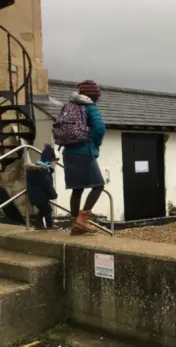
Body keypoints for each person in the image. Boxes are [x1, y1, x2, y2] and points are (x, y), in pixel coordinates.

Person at [62, 80, 106, 235]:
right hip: (84, 152)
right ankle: (83, 218)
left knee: (77, 189)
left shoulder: (70, 106)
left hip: (68, 152)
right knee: (99, 185)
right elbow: (100, 128)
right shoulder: (89, 106)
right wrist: (94, 143)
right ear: (94, 95)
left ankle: (75, 224)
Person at [25, 144, 59, 230]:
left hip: (37, 195)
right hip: (40, 195)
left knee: (45, 209)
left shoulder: (40, 169)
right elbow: (47, 184)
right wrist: (53, 195)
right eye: (55, 161)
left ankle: (43, 225)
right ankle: (45, 225)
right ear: (49, 161)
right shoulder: (43, 171)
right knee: (47, 209)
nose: (56, 163)